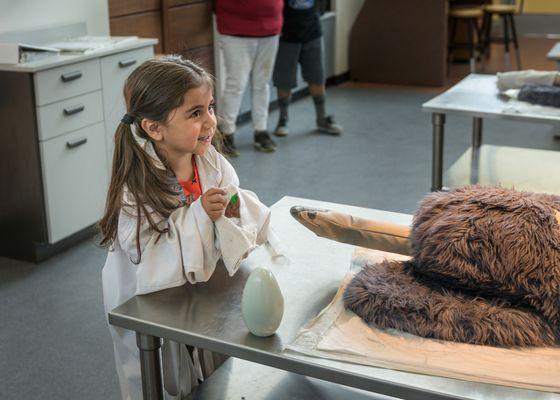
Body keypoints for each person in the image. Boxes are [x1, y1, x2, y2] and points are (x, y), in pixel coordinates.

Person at [99, 56, 272, 399]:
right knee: (160, 379)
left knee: (212, 367)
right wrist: (201, 216)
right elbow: (149, 261)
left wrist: (231, 210)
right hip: (150, 301)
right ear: (154, 128)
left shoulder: (210, 162)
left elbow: (236, 209)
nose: (211, 120)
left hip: (205, 290)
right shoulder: (136, 190)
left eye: (210, 107)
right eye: (195, 113)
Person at [214, 0, 283, 155]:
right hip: (236, 28)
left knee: (263, 84)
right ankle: (227, 134)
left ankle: (261, 130)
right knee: (236, 84)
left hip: (271, 26)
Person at [272, 0, 343, 137]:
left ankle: (322, 118)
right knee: (284, 80)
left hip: (312, 33)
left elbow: (321, 8)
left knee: (316, 77)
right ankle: (283, 120)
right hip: (287, 36)